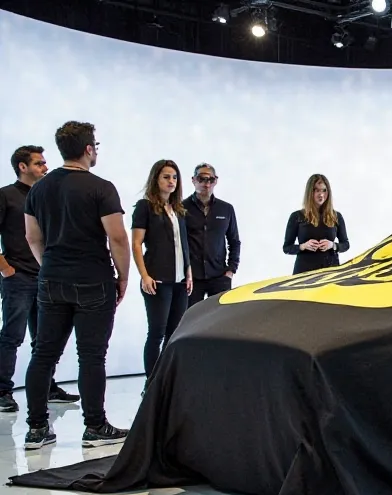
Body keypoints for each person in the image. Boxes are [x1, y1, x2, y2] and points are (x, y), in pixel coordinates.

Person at [21, 121, 131, 449]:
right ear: (88, 149)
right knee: (92, 356)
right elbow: (117, 238)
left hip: (51, 280)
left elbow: (32, 237)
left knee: (43, 354)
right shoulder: (101, 187)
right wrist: (123, 276)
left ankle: (37, 428)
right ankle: (95, 426)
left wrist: (49, 267)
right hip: (93, 280)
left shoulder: (38, 189)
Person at [0, 146, 79, 413]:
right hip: (18, 277)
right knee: (12, 336)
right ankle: (2, 391)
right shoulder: (6, 196)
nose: (46, 167)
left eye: (45, 163)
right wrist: (5, 268)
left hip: (46, 276)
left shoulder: (46, 195)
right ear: (22, 167)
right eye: (39, 163)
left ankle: (47, 387)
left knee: (44, 339)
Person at [131, 160, 192, 393]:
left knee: (174, 333)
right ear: (156, 178)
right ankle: (152, 381)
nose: (171, 181)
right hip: (157, 280)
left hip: (179, 281)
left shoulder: (179, 210)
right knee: (156, 332)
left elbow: (183, 245)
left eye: (174, 177)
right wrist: (144, 276)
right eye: (166, 176)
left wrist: (188, 273)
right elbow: (136, 244)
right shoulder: (145, 207)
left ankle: (168, 377)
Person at [183, 163, 239, 307]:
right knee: (191, 321)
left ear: (215, 181)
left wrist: (231, 269)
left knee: (220, 321)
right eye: (201, 179)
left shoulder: (226, 209)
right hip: (191, 277)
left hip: (219, 276)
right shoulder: (182, 208)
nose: (206, 184)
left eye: (210, 180)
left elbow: (234, 241)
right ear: (193, 180)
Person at [282, 173, 350, 274]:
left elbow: (346, 244)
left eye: (324, 190)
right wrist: (303, 246)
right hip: (304, 272)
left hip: (330, 272)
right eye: (317, 190)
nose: (321, 194)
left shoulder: (336, 216)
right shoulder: (297, 216)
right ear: (310, 192)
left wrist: (333, 245)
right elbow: (286, 248)